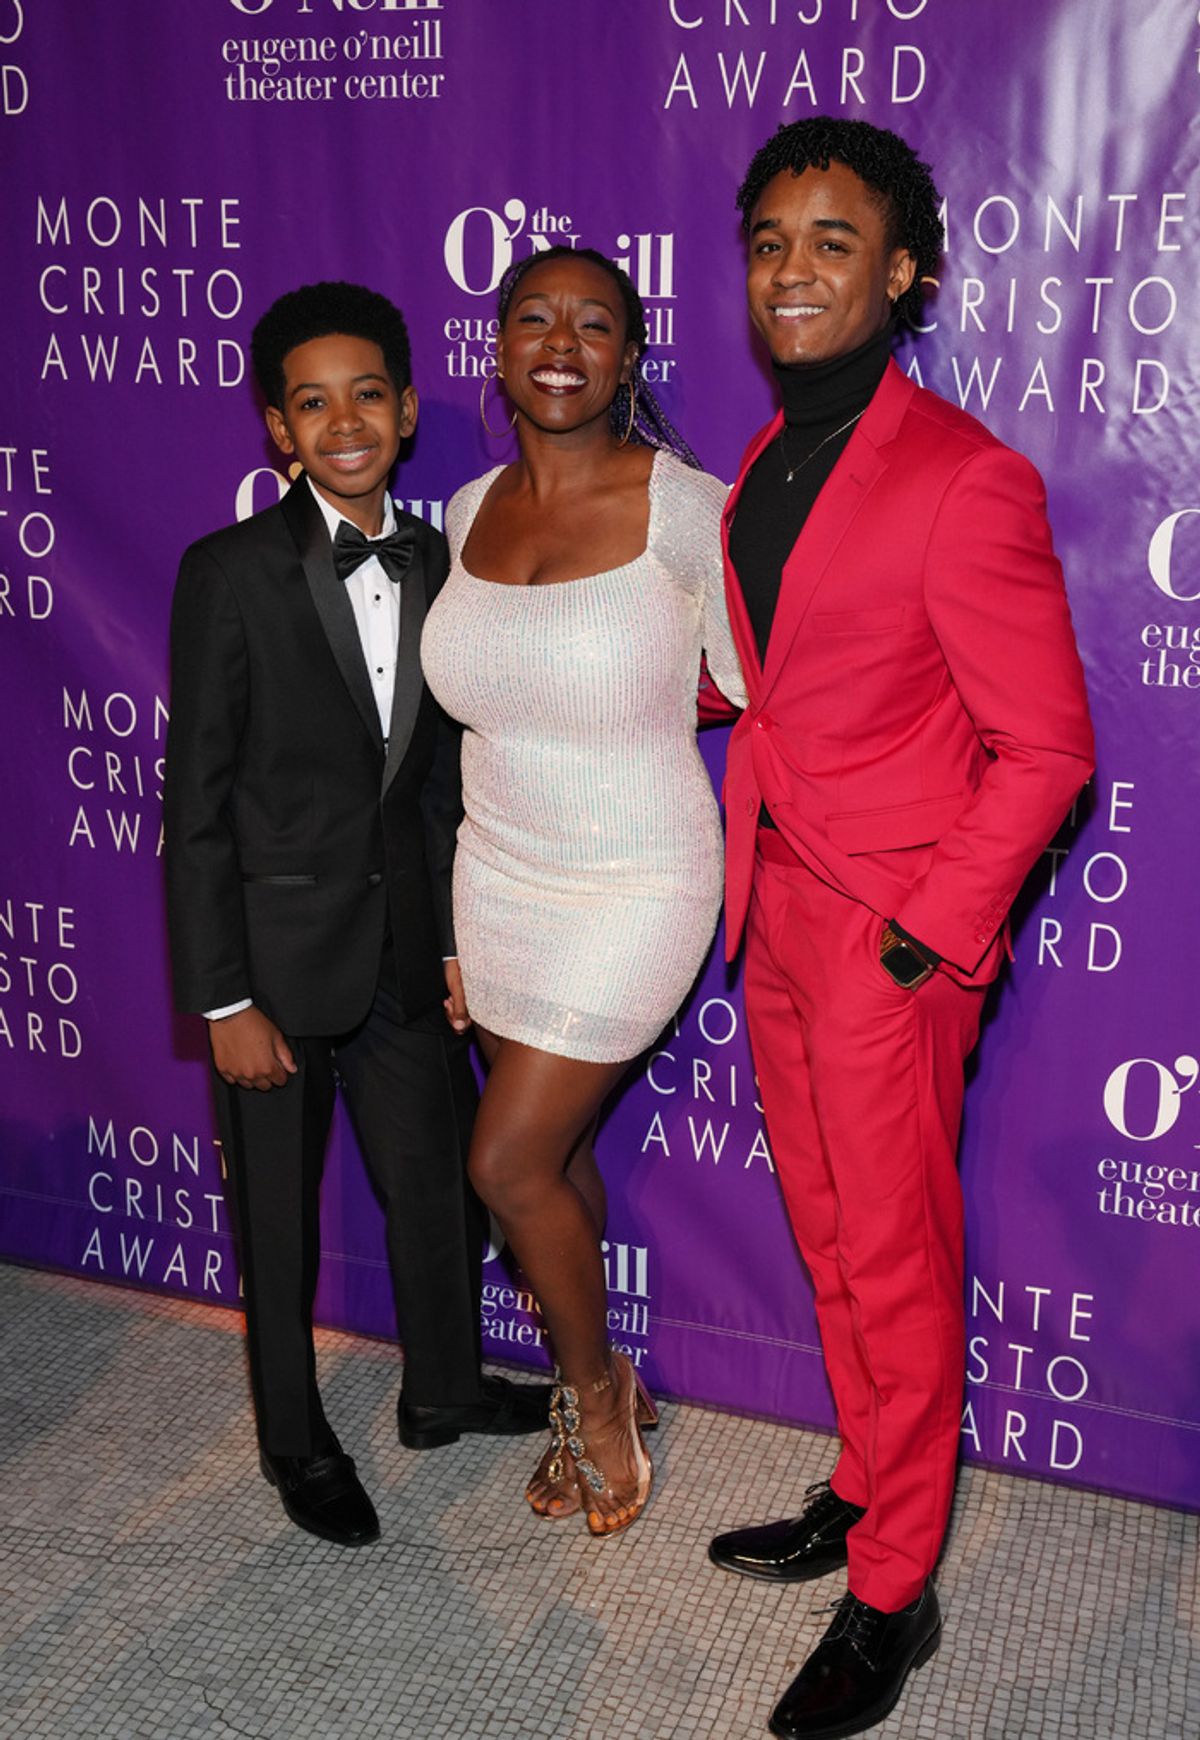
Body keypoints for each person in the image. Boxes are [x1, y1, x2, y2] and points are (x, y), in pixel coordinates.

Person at [707, 120, 1094, 1738]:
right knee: (829, 1241)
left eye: (835, 240)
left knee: (900, 1260)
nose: (796, 270)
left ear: (906, 270)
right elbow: (789, 681)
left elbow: (1050, 747)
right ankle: (868, 1491)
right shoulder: (761, 455)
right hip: (777, 904)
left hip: (883, 939)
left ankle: (897, 1594)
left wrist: (916, 936)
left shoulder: (966, 474)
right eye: (773, 241)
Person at [163, 281, 548, 1550]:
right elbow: (198, 804)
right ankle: (292, 1439)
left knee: (437, 1184)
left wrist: (453, 941)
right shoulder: (226, 573)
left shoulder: (443, 561)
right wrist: (220, 997)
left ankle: (440, 1387)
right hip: (270, 970)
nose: (343, 422)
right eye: (312, 403)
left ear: (408, 408)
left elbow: (438, 784)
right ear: (279, 428)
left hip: (401, 952)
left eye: (367, 395)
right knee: (276, 1217)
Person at [420, 246, 747, 1537]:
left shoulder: (686, 509)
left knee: (503, 1158)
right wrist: (451, 929)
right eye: (535, 320)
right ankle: (614, 1373)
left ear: (628, 356)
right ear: (496, 347)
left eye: (595, 324)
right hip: (496, 878)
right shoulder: (459, 512)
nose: (562, 342)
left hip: (637, 876)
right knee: (549, 1153)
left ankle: (597, 1397)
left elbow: (755, 674)